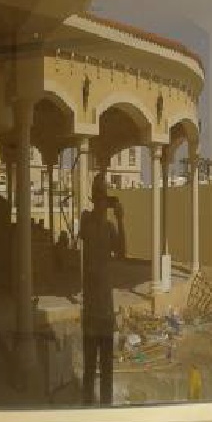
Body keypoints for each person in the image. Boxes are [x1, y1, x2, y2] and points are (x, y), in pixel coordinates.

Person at [79, 172, 125, 406]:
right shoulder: (87, 221)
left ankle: (105, 407)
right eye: (98, 198)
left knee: (107, 368)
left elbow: (122, 252)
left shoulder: (109, 228)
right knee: (89, 367)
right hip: (91, 307)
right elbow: (84, 231)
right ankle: (88, 406)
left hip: (105, 308)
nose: (101, 203)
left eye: (103, 198)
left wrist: (121, 220)